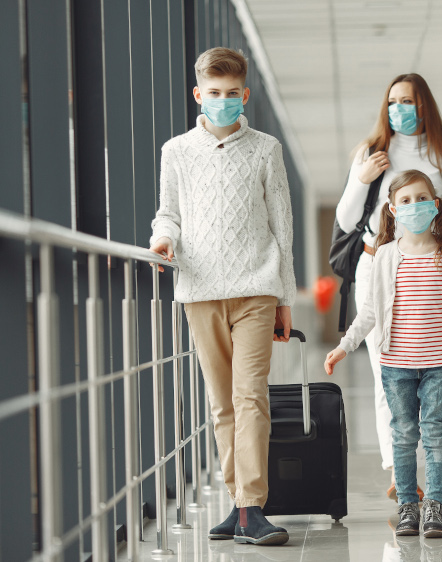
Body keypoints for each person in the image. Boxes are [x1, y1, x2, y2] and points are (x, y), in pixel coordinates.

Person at [149, 47, 296, 546]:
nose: (224, 101)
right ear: (198, 94)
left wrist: (284, 296)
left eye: (232, 94)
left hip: (256, 287)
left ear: (245, 94)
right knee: (220, 404)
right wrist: (162, 240)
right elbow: (168, 213)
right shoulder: (176, 152)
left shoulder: (266, 149)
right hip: (199, 289)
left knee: (250, 395)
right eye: (214, 94)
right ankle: (238, 504)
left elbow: (283, 227)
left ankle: (252, 506)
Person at [324, 170, 442, 538]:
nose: (414, 206)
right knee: (404, 435)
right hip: (396, 366)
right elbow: (370, 312)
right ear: (393, 210)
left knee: (437, 435)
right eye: (406, 201)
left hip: (440, 364)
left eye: (422, 198)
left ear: (435, 204)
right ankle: (408, 504)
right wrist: (345, 345)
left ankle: (435, 509)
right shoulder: (385, 256)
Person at [335, 74, 442, 502]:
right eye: (392, 102)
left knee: (432, 375)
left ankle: (424, 463)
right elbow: (344, 217)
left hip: (430, 271)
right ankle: (398, 471)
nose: (399, 110)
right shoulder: (372, 151)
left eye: (407, 101)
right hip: (377, 264)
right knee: (385, 376)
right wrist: (362, 178)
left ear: (423, 104)